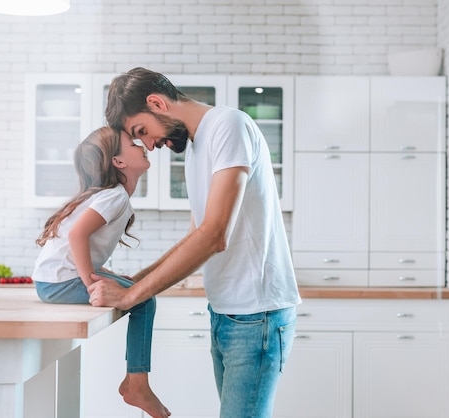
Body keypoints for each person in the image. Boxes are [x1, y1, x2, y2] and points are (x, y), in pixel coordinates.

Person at [89, 67, 302, 417]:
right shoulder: (196, 147)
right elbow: (196, 235)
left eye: (143, 131)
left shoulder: (228, 126)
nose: (151, 145)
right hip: (227, 313)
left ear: (157, 103)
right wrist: (134, 280)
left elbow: (215, 235)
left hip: (258, 316)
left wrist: (130, 295)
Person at [32, 126, 170, 418]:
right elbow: (77, 236)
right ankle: (137, 384)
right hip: (62, 282)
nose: (140, 145)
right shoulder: (115, 196)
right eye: (131, 143)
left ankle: (136, 381)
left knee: (137, 292)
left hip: (52, 281)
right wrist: (90, 282)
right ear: (118, 162)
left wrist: (101, 273)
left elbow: (81, 241)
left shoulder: (110, 195)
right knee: (143, 299)